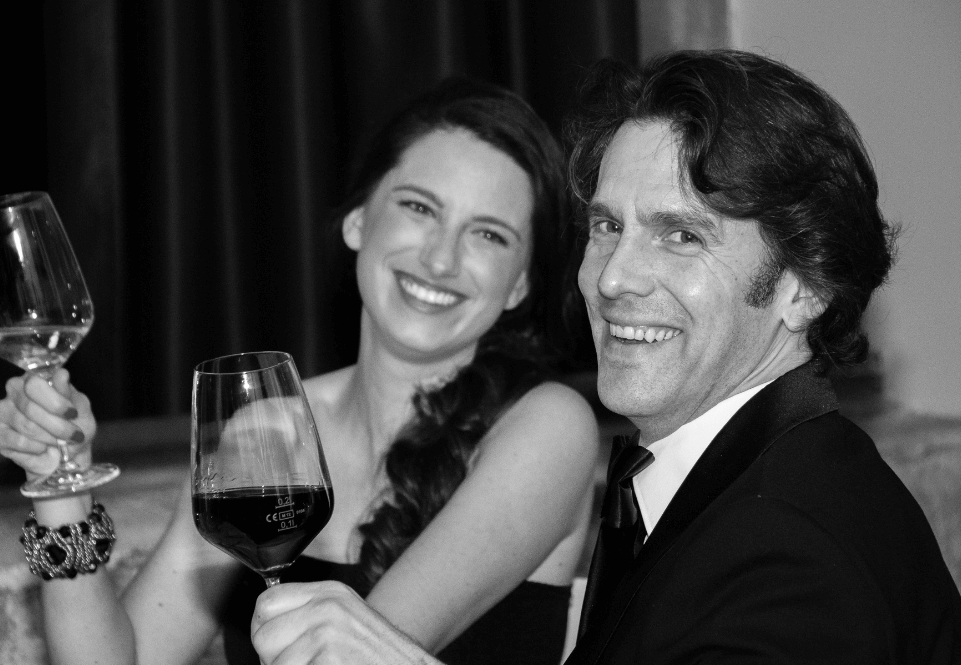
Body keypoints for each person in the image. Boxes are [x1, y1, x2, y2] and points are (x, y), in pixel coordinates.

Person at [246, 50, 961, 664]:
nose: (614, 278)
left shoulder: (794, 550)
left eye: (681, 236)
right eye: (607, 226)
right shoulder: (716, 482)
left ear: (804, 287)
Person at [0, 77, 600, 665]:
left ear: (520, 283)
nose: (441, 259)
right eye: (419, 208)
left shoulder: (549, 428)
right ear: (358, 220)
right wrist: (61, 483)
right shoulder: (262, 431)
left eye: (488, 235)